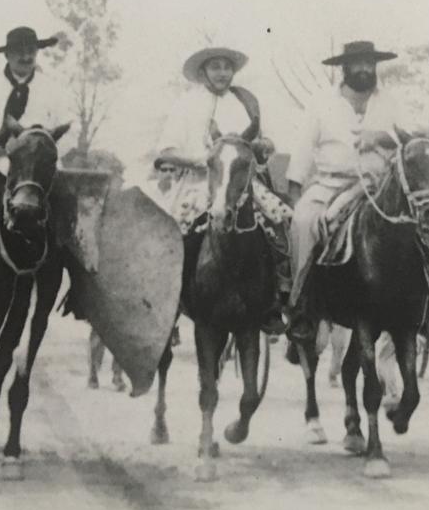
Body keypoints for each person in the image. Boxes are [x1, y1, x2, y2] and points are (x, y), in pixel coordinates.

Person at [151, 46, 287, 334]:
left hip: (240, 183)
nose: (222, 73)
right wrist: (200, 160)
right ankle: (170, 300)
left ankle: (272, 300)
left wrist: (264, 146)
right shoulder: (187, 103)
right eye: (215, 67)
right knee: (170, 233)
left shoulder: (245, 102)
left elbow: (263, 142)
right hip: (199, 181)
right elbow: (165, 151)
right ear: (203, 71)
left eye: (227, 67)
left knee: (279, 224)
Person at [283, 40, 408, 344]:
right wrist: (296, 189)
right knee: (302, 222)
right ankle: (301, 306)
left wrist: (382, 136)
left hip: (380, 188)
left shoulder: (391, 102)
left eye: (370, 63)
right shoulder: (321, 102)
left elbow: (411, 141)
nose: (365, 69)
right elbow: (303, 149)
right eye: (358, 64)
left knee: (425, 230)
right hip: (331, 184)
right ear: (345, 68)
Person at [0, 26, 75, 169]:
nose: (26, 57)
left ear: (37, 52)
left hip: (40, 172)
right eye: (19, 52)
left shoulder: (53, 89)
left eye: (31, 51)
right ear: (7, 55)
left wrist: (45, 152)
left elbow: (72, 130)